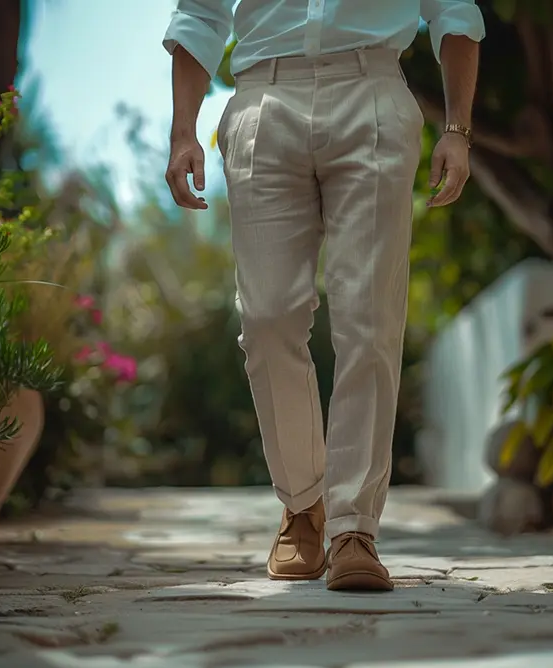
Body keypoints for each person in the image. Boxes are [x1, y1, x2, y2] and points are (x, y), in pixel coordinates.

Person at [164, 0, 483, 592]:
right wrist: (184, 129)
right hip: (262, 99)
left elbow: (454, 10)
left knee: (369, 320)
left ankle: (353, 530)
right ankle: (304, 502)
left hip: (373, 93)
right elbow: (202, 14)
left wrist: (458, 130)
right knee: (267, 321)